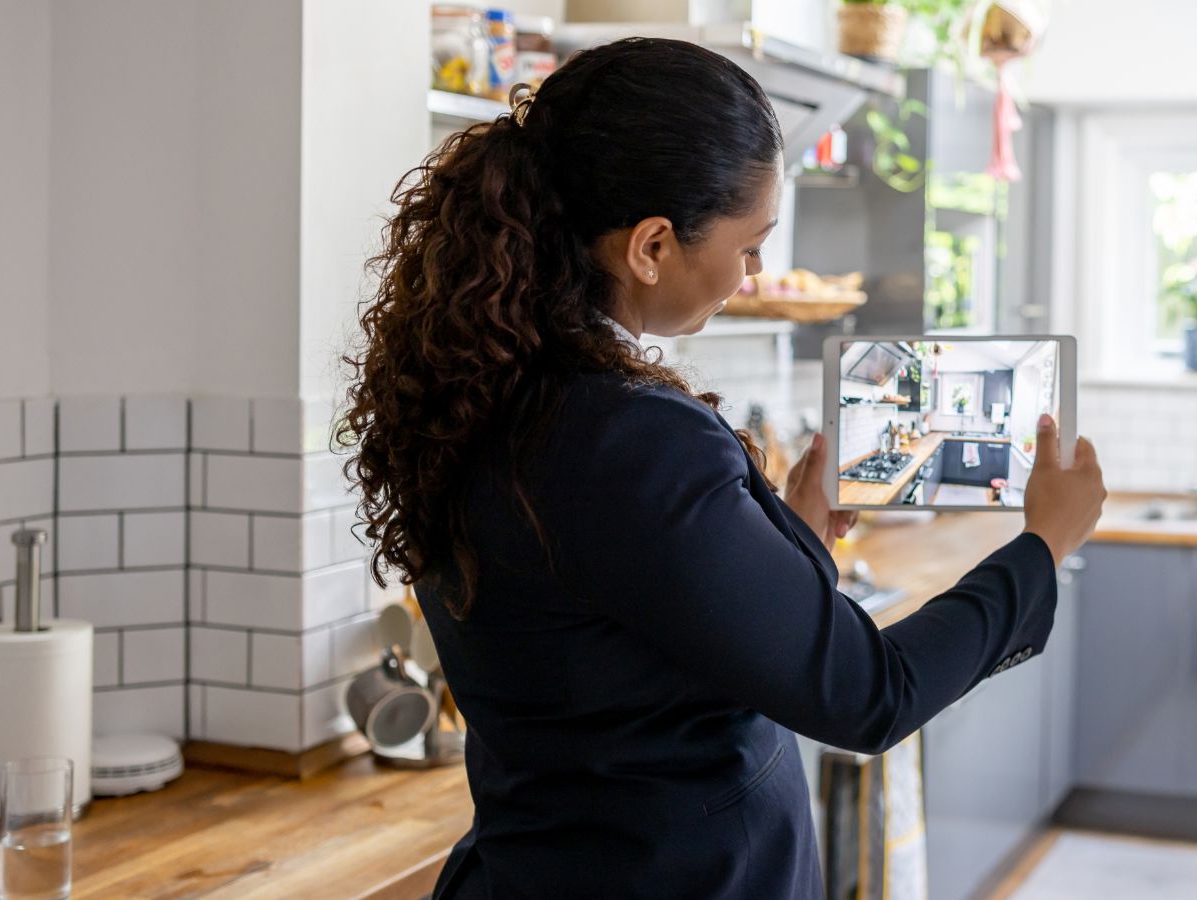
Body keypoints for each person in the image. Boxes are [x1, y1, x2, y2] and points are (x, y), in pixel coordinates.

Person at [339, 37, 1105, 900]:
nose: (755, 274)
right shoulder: (635, 438)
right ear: (652, 245)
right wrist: (1042, 545)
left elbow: (645, 639)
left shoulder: (485, 394)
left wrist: (793, 535)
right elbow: (871, 695)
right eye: (750, 245)